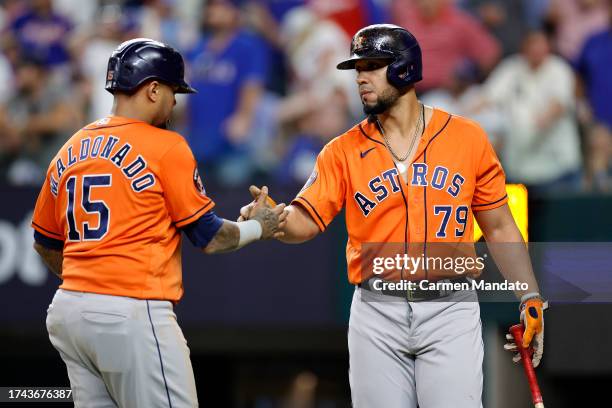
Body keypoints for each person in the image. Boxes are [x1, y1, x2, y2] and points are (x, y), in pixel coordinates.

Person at [241, 24, 546, 407]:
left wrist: (529, 295)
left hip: (449, 308)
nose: (361, 78)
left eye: (372, 66)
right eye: (358, 69)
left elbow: (500, 225)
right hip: (376, 310)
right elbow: (306, 219)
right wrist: (274, 222)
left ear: (403, 68)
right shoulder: (342, 150)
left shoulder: (466, 139)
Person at [31, 38, 285, 407]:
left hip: (68, 313)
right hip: (131, 311)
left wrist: (89, 284)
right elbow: (210, 237)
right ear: (152, 89)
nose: (175, 101)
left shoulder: (70, 147)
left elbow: (44, 241)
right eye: (172, 90)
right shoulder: (166, 146)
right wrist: (259, 226)